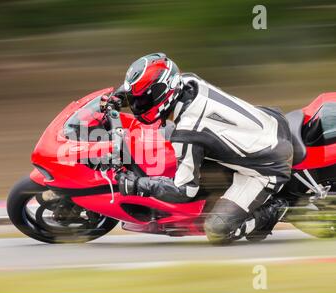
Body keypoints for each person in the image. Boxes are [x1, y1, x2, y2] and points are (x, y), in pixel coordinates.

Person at [105, 53, 293, 244]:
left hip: (268, 166)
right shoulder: (188, 81)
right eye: (135, 100)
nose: (137, 106)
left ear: (161, 94)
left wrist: (138, 184)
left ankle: (273, 209)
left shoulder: (187, 131)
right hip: (269, 123)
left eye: (142, 100)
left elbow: (185, 191)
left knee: (217, 231)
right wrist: (121, 96)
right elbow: (150, 89)